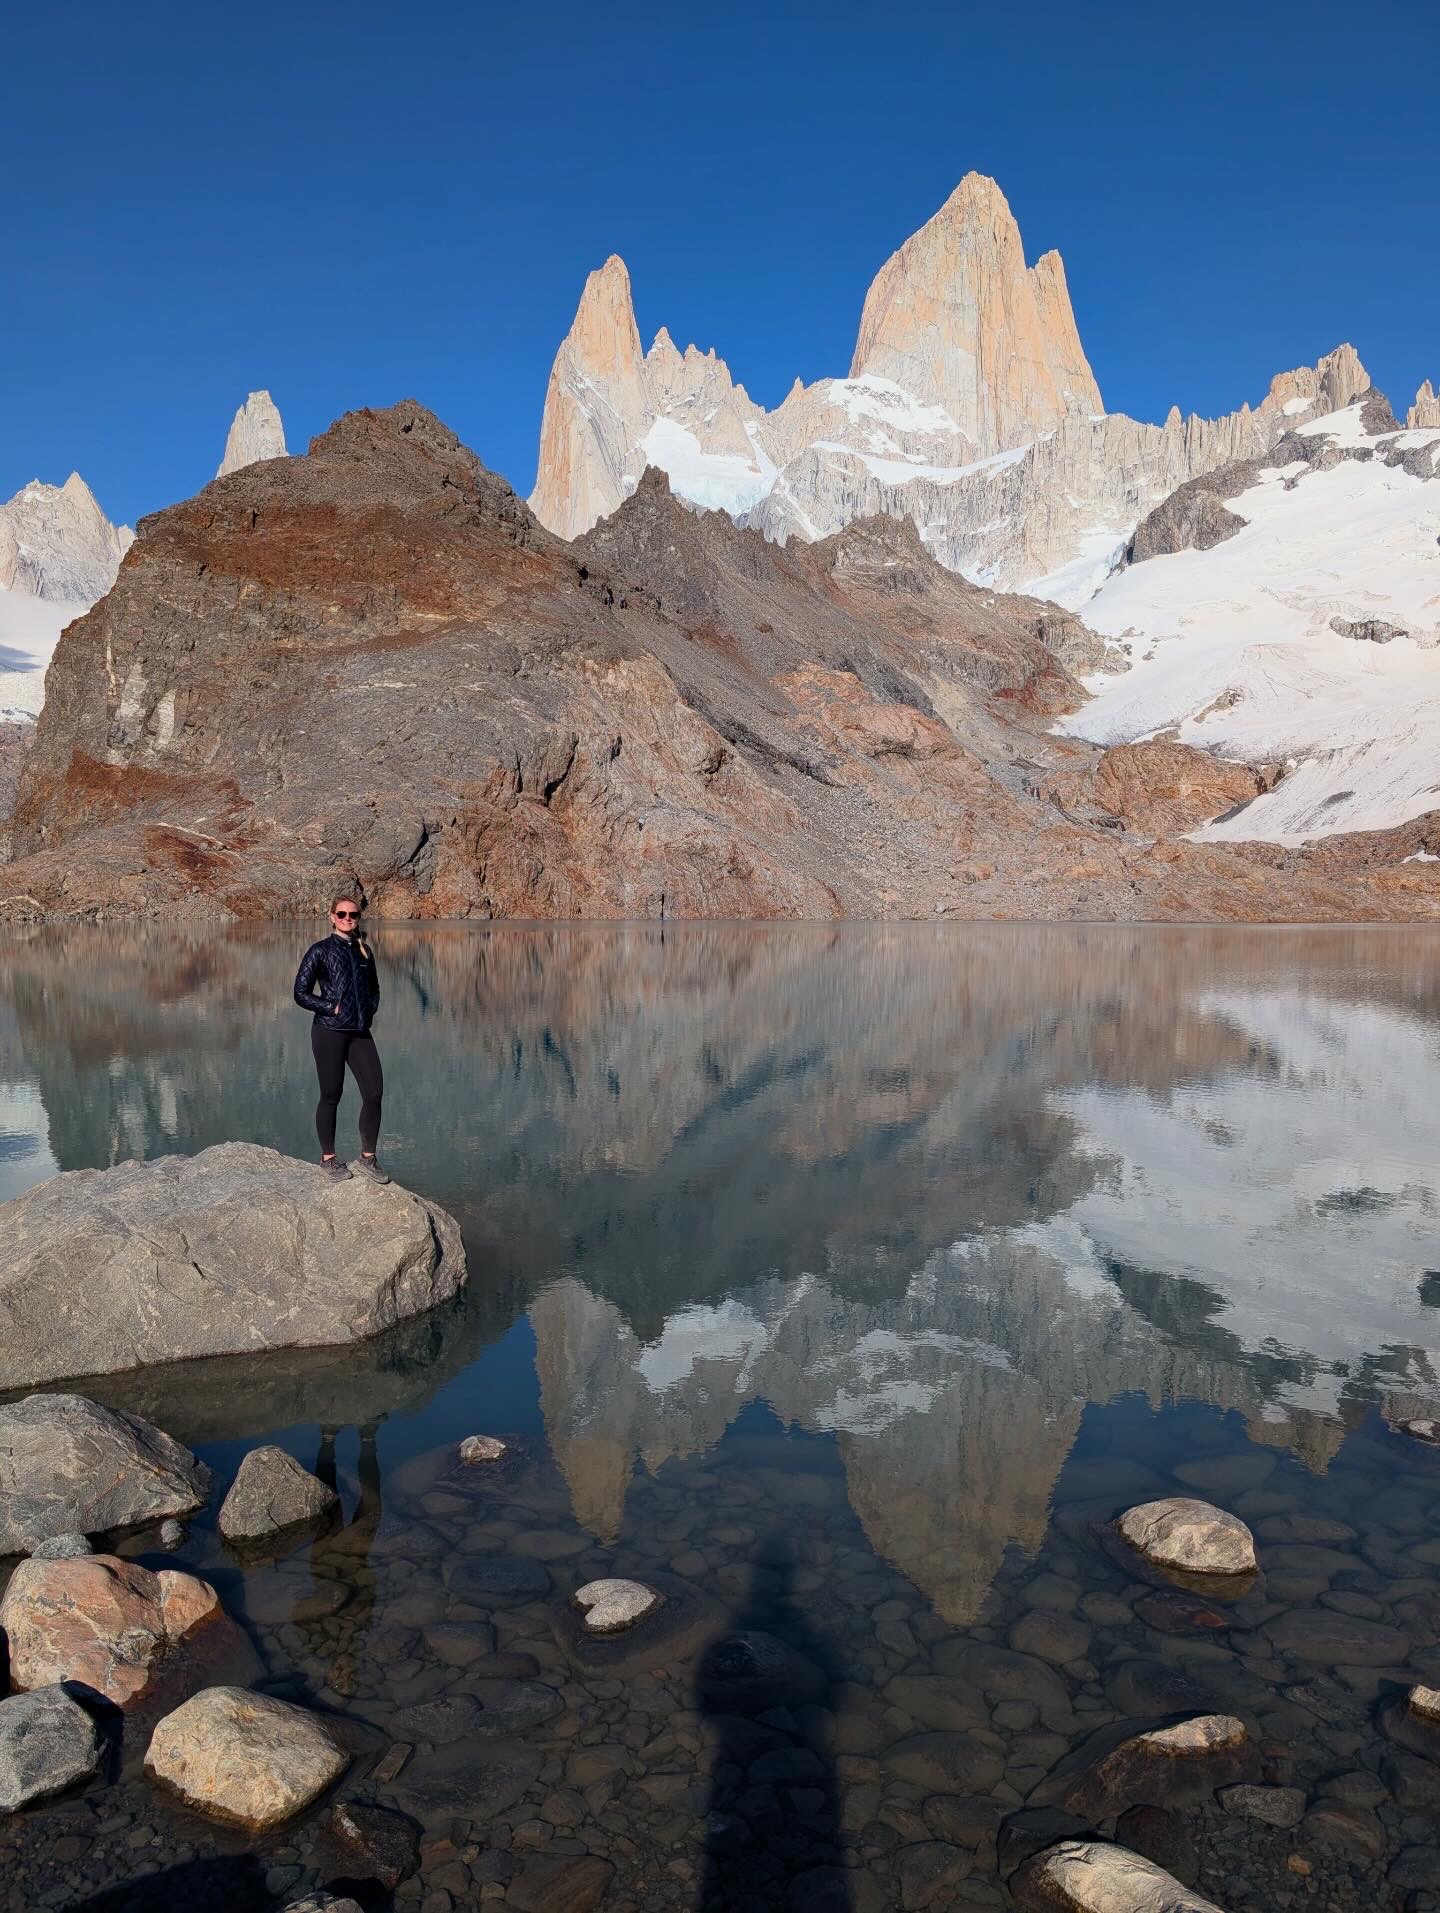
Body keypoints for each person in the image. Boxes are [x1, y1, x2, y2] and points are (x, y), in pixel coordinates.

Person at [293, 892, 388, 1183]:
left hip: (359, 1032)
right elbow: (300, 992)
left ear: (359, 918)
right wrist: (330, 1007)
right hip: (329, 1031)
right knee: (331, 1095)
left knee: (374, 1092)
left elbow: (374, 989)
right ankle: (328, 1159)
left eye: (353, 914)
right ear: (332, 917)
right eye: (342, 914)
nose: (348, 918)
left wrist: (368, 1010)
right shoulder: (320, 950)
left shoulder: (364, 951)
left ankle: (368, 1158)